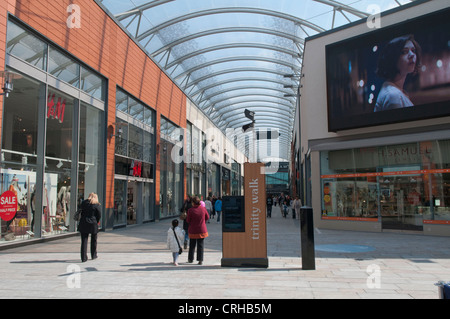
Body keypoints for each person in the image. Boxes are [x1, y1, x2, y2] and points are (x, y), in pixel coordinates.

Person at [374, 34, 422, 112]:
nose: (412, 55)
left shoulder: (394, 91)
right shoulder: (393, 95)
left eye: (413, 50)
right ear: (393, 58)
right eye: (404, 52)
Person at [78, 193, 101, 263]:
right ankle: (93, 255)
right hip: (93, 223)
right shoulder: (96, 205)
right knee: (94, 240)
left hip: (83, 222)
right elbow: (99, 215)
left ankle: (83, 257)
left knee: (84, 241)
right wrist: (96, 221)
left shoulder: (83, 203)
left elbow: (80, 212)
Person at [186, 196, 209, 265]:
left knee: (192, 245)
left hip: (193, 230)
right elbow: (207, 217)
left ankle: (190, 259)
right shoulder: (203, 209)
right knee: (200, 245)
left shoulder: (190, 210)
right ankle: (200, 260)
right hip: (201, 229)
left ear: (193, 203)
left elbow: (188, 220)